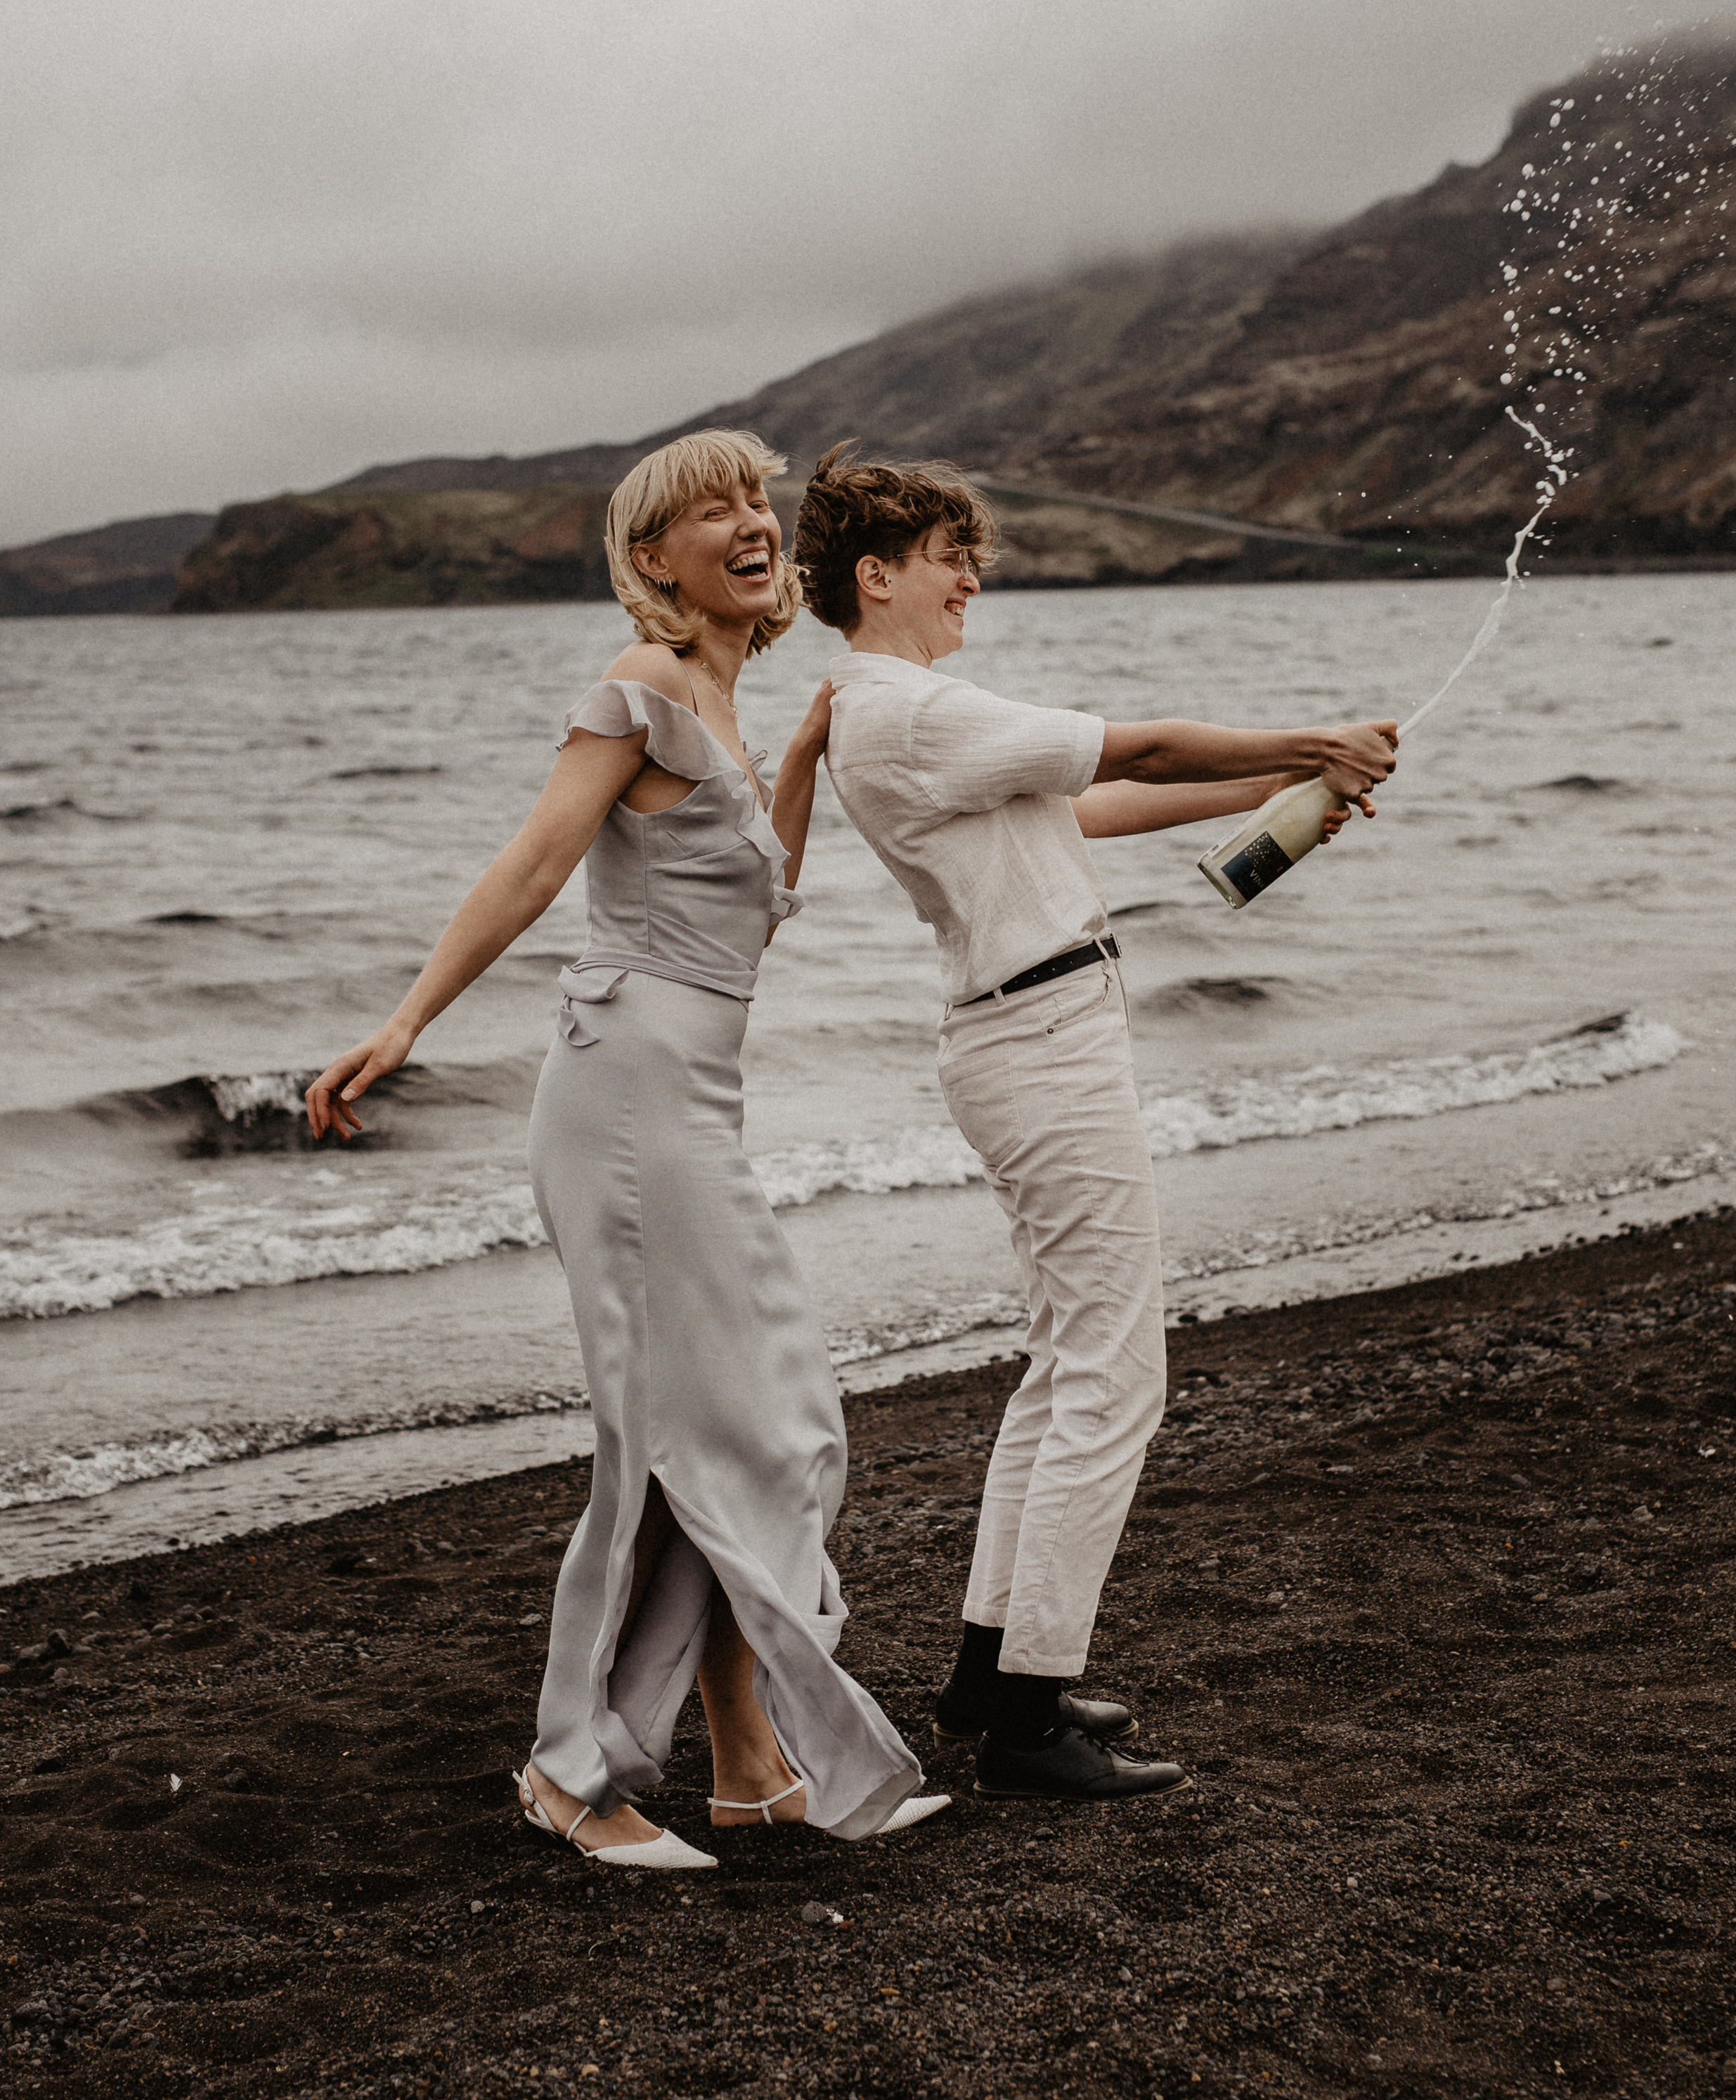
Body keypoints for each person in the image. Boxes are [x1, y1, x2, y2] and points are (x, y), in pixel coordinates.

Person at [306, 432, 947, 1867]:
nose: (751, 520)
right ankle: (571, 1773)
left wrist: (795, 762)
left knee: (734, 1436)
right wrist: (406, 1023)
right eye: (710, 508)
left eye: (756, 499)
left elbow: (752, 906)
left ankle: (750, 1770)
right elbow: (538, 861)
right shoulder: (643, 684)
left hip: (691, 1099)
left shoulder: (721, 701)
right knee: (699, 1440)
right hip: (625, 1101)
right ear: (651, 558)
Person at [793, 443, 1398, 1803]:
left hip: (1028, 1032)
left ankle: (992, 1675)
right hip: (1040, 1041)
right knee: (1120, 1377)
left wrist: (1285, 796)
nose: (971, 582)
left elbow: (1092, 804)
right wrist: (1312, 743)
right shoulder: (907, 710)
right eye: (949, 560)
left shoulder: (902, 714)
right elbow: (1140, 744)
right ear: (875, 574)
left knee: (1067, 1363)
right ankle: (1024, 1726)